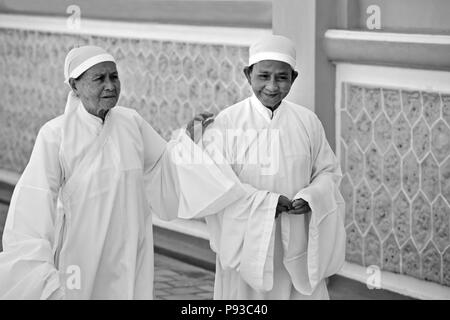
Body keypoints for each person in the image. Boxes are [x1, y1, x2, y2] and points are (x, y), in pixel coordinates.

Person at [0, 45, 242, 299]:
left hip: (129, 244)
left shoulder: (131, 122)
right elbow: (35, 199)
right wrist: (39, 268)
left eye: (114, 77)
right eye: (99, 79)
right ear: (75, 86)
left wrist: (187, 139)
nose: (110, 86)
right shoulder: (55, 135)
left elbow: (163, 164)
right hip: (82, 252)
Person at [187, 35, 346, 299]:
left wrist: (312, 198)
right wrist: (266, 205)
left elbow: (328, 173)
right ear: (248, 75)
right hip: (247, 245)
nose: (272, 86)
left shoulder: (307, 122)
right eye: (263, 76)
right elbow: (217, 185)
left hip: (298, 243)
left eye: (282, 77)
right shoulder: (227, 122)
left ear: (293, 78)